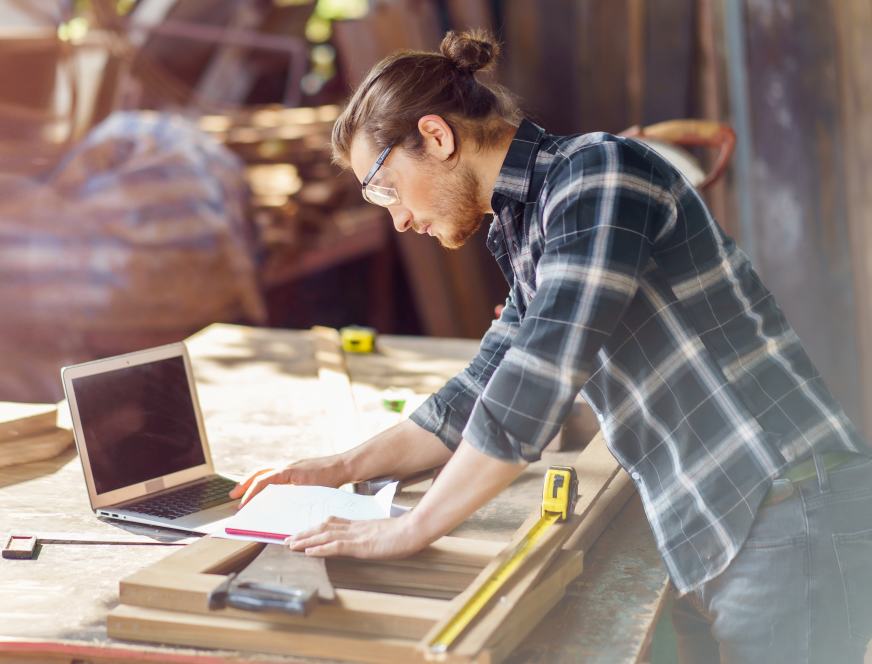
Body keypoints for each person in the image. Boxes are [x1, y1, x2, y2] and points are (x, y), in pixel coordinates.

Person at [230, 29, 872, 663]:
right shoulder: (536, 221)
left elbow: (539, 379)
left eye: (386, 188)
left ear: (436, 136)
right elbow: (480, 389)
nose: (397, 218)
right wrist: (340, 469)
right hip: (748, 518)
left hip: (788, 506)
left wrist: (411, 529)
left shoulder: (598, 175)